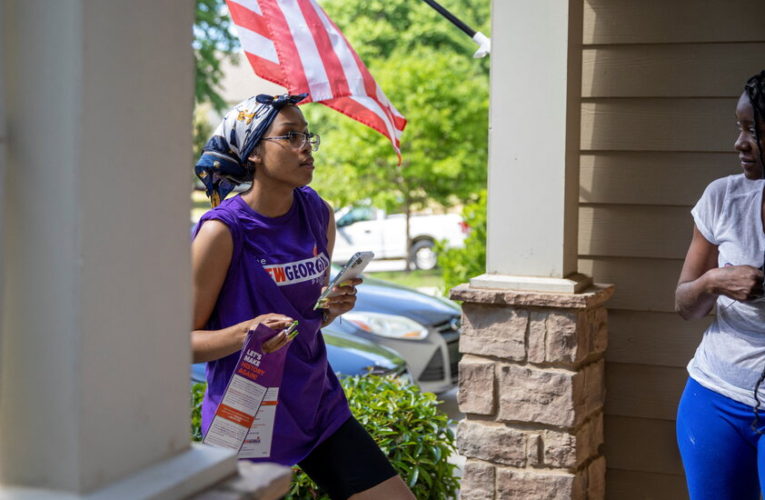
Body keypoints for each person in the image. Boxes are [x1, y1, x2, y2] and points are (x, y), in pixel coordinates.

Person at [191, 93, 415, 500]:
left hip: (318, 405)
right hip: (248, 414)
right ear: (254, 152)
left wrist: (332, 307)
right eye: (289, 136)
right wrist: (244, 334)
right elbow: (179, 343)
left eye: (306, 135)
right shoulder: (221, 232)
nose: (305, 145)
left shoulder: (318, 212)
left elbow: (309, 316)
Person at [675, 70, 765, 499]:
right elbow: (685, 304)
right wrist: (712, 281)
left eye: (754, 131)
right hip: (714, 399)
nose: (740, 143)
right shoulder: (722, 198)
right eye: (739, 127)